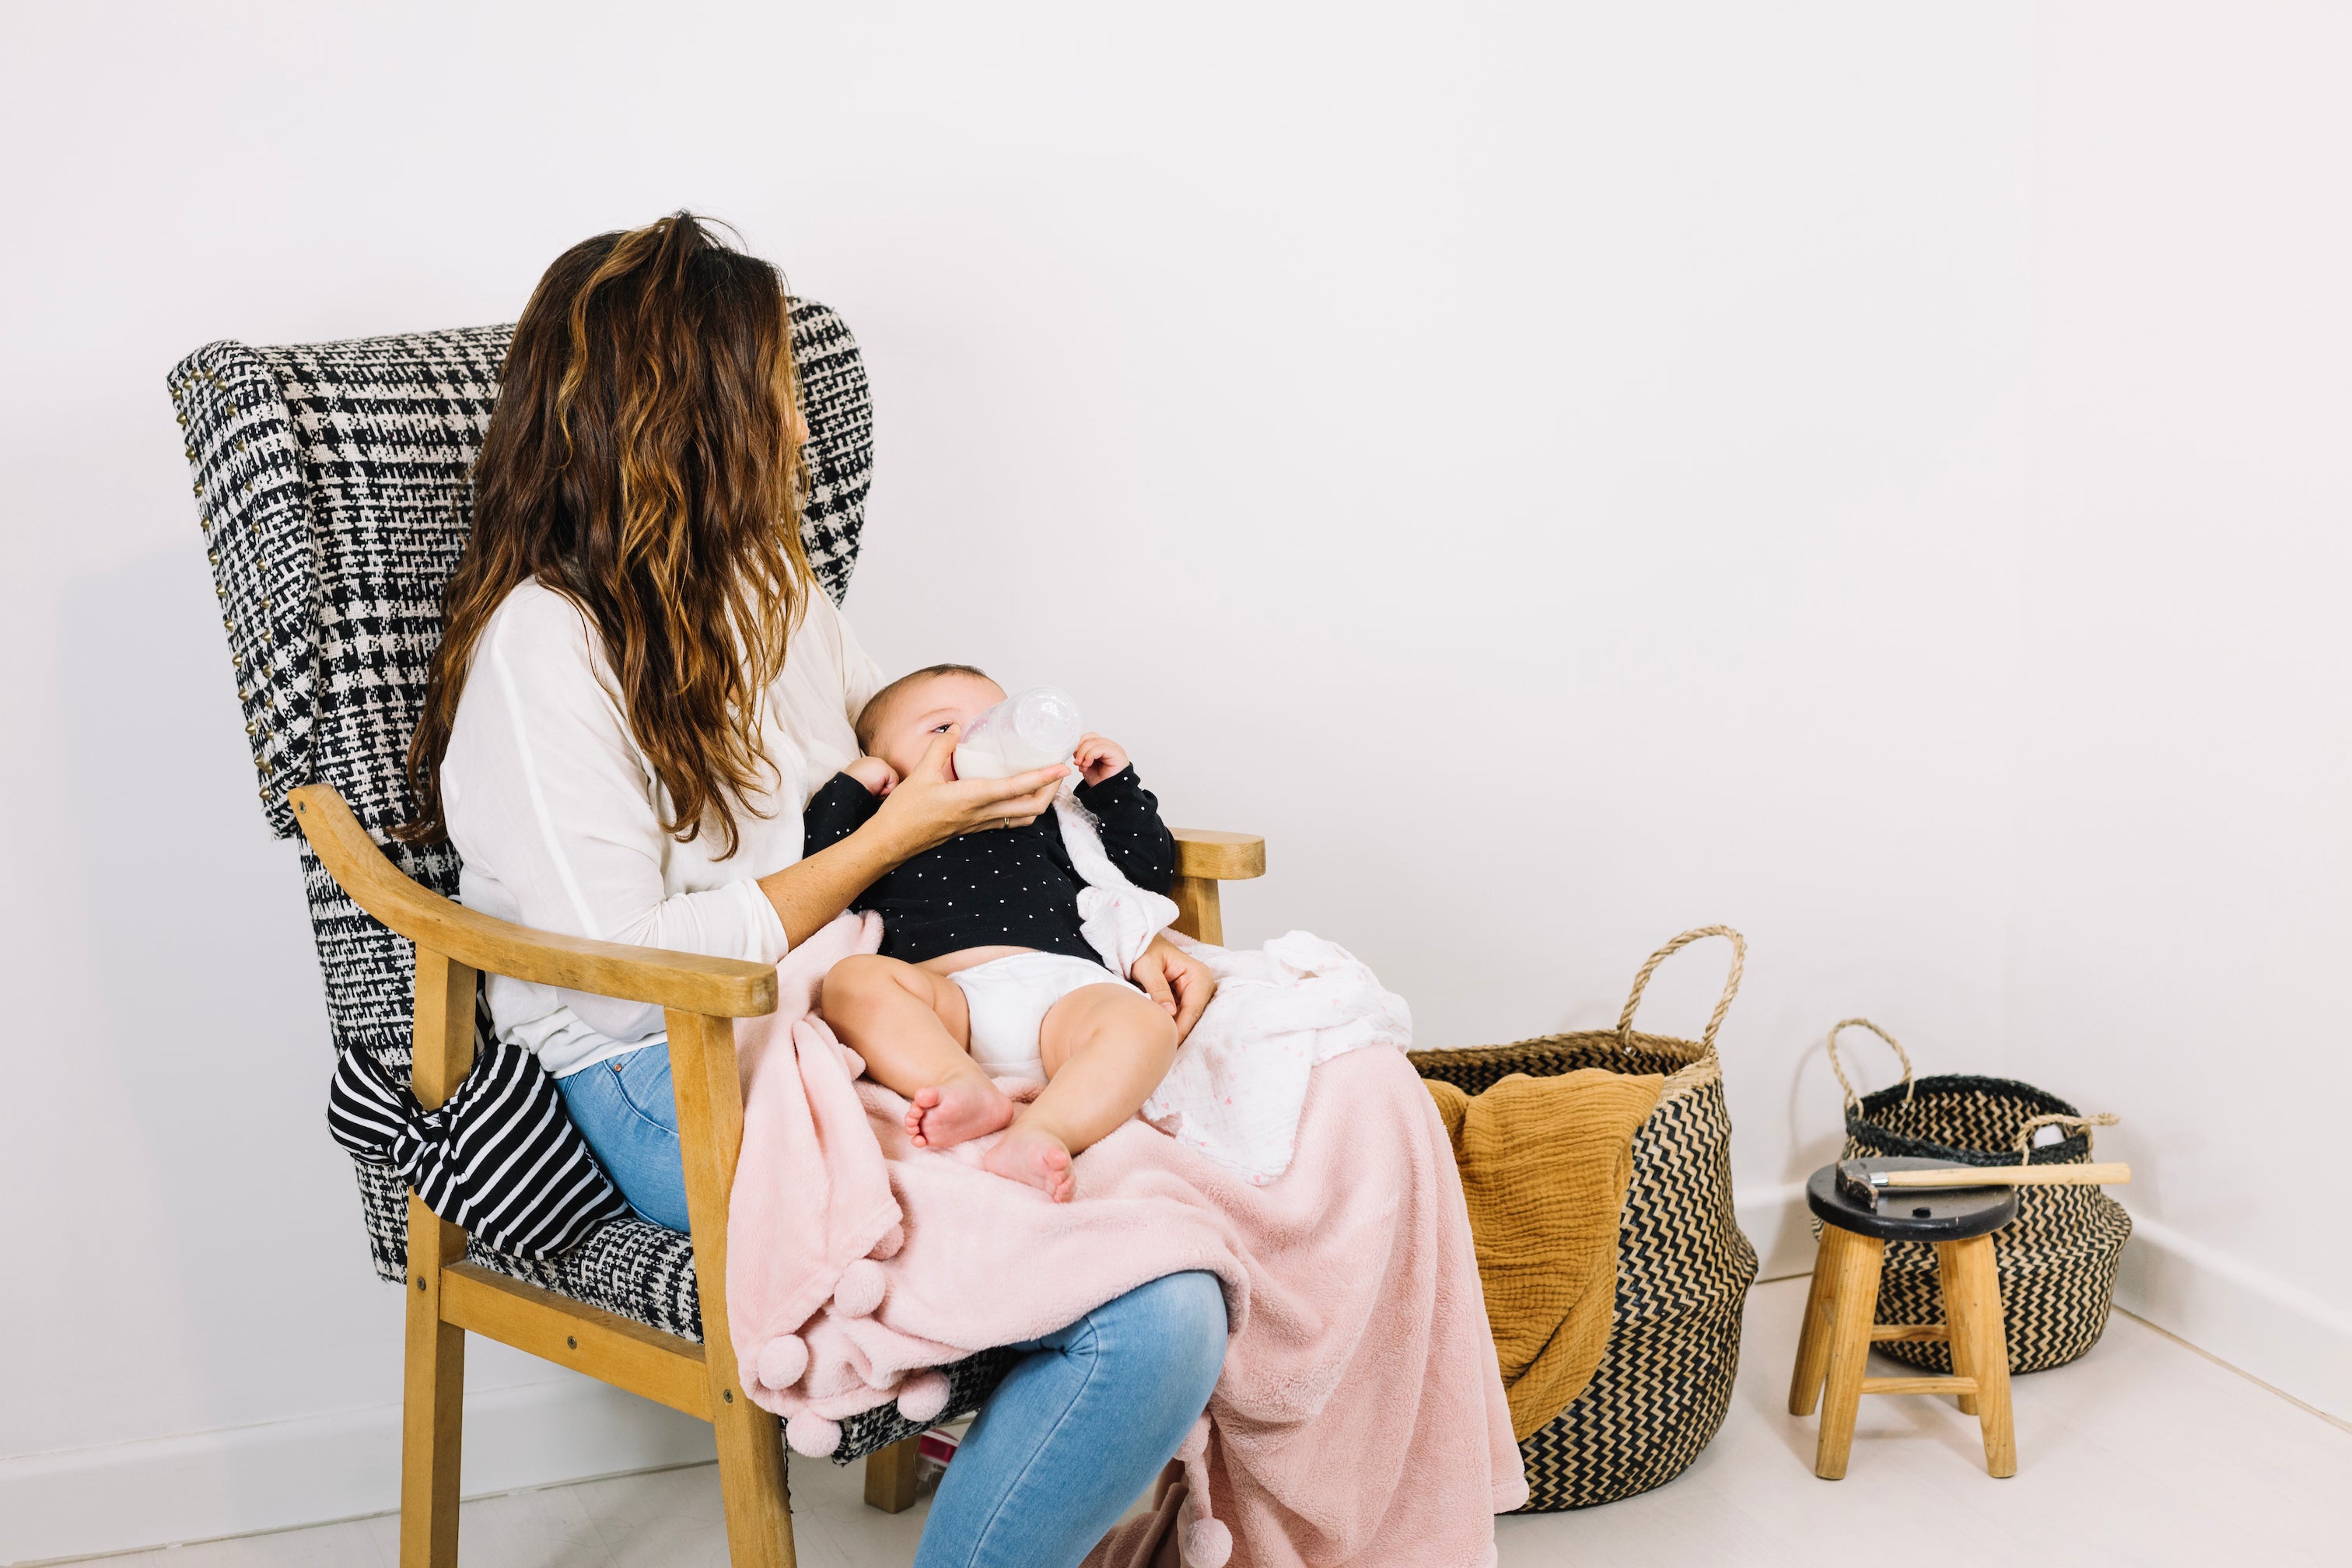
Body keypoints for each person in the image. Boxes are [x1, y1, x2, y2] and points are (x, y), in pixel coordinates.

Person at [399, 212, 1223, 1568]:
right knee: (1157, 1306)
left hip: (848, 1021)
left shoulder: (774, 585)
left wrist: (1117, 933)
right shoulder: (545, 648)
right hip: (660, 1070)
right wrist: (889, 851)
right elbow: (629, 956)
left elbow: (892, 774)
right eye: (776, 383)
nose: (797, 420)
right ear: (701, 405)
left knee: (1273, 1131)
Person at [807, 663, 1180, 1201]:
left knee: (1145, 1024)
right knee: (852, 981)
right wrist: (852, 787)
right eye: (942, 729)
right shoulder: (884, 826)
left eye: (991, 721)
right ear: (889, 768)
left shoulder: (1046, 812)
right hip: (946, 1004)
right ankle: (961, 1084)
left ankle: (1045, 1131)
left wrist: (1114, 788)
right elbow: (822, 871)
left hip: (1067, 994)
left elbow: (1145, 873)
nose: (974, 738)